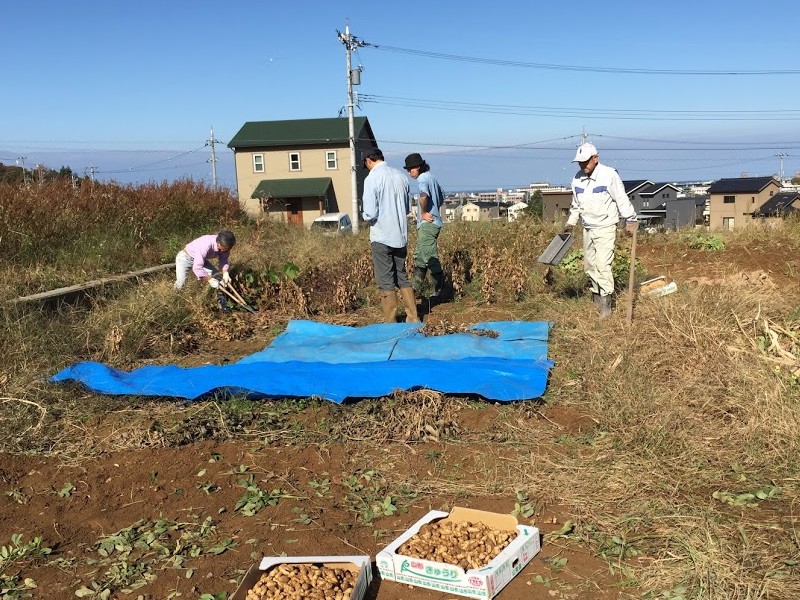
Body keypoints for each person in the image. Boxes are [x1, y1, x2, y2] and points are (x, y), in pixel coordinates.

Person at [564, 143, 637, 318]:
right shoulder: (577, 178)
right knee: (590, 265)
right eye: (580, 162)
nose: (583, 165)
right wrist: (570, 223)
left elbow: (621, 198)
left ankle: (606, 306)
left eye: (586, 161)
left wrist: (630, 219)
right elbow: (576, 204)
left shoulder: (608, 175)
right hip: (587, 227)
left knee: (603, 265)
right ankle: (597, 298)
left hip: (605, 227)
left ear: (595, 158)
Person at [361, 147, 420, 323]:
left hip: (382, 235)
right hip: (400, 235)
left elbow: (370, 213)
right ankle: (413, 317)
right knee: (402, 275)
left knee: (385, 280)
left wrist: (365, 218)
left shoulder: (372, 178)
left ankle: (390, 322)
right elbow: (408, 208)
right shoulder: (400, 177)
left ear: (368, 161)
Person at [404, 153, 445, 301]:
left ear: (419, 167)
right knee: (421, 256)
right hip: (435, 221)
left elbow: (423, 195)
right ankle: (415, 290)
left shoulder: (422, 178)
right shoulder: (431, 177)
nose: (409, 172)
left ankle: (439, 293)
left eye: (411, 169)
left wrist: (424, 212)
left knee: (429, 257)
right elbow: (442, 195)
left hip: (428, 223)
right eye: (408, 170)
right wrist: (435, 210)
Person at [174, 229, 236, 300]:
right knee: (181, 284)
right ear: (218, 243)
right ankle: (174, 299)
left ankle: (222, 303)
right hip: (185, 258)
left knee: (219, 278)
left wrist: (225, 272)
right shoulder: (205, 245)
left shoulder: (225, 245)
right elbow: (197, 267)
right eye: (224, 249)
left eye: (228, 249)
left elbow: (223, 259)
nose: (225, 251)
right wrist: (210, 279)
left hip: (201, 259)